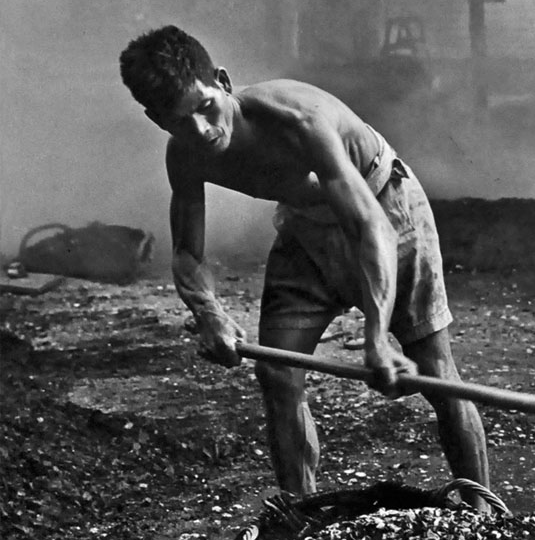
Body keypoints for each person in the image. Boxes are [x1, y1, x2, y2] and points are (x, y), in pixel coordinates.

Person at [119, 25, 491, 508]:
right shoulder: (186, 157)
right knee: (276, 374)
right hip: (304, 230)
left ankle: (484, 515)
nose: (202, 132)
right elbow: (188, 256)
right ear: (156, 120)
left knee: (435, 370)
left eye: (206, 107)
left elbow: (368, 225)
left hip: (385, 207)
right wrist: (209, 314)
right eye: (178, 122)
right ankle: (299, 517)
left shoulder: (297, 117)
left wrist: (377, 339)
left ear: (225, 83)